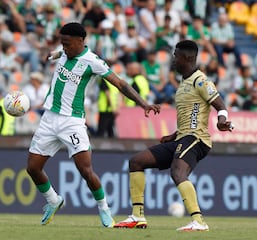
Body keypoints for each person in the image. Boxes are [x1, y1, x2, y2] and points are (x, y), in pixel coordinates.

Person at [26, 22, 160, 227]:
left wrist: (143, 104)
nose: (65, 47)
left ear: (81, 41)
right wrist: (51, 53)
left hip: (72, 122)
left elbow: (121, 83)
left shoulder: (92, 61)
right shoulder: (64, 52)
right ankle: (53, 201)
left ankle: (104, 208)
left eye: (68, 44)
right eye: (62, 43)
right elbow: (58, 52)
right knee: (33, 168)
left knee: (86, 171)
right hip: (49, 118)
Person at [114, 40, 233, 231]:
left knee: (178, 172)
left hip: (197, 139)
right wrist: (174, 135)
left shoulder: (200, 81)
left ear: (186, 58)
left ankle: (199, 221)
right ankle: (137, 217)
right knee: (136, 162)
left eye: (176, 56)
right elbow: (192, 115)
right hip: (183, 137)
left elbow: (220, 105)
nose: (173, 60)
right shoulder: (184, 83)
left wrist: (222, 120)